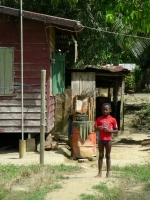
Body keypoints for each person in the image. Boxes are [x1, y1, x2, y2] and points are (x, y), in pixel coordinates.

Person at [94, 103, 118, 178]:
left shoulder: (113, 119)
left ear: (110, 110)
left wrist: (109, 131)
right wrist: (98, 128)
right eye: (103, 110)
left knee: (108, 155)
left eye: (106, 110)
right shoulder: (99, 119)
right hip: (101, 140)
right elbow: (94, 129)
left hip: (108, 140)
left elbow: (116, 130)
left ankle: (108, 173)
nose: (104, 111)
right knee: (100, 155)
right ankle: (99, 173)